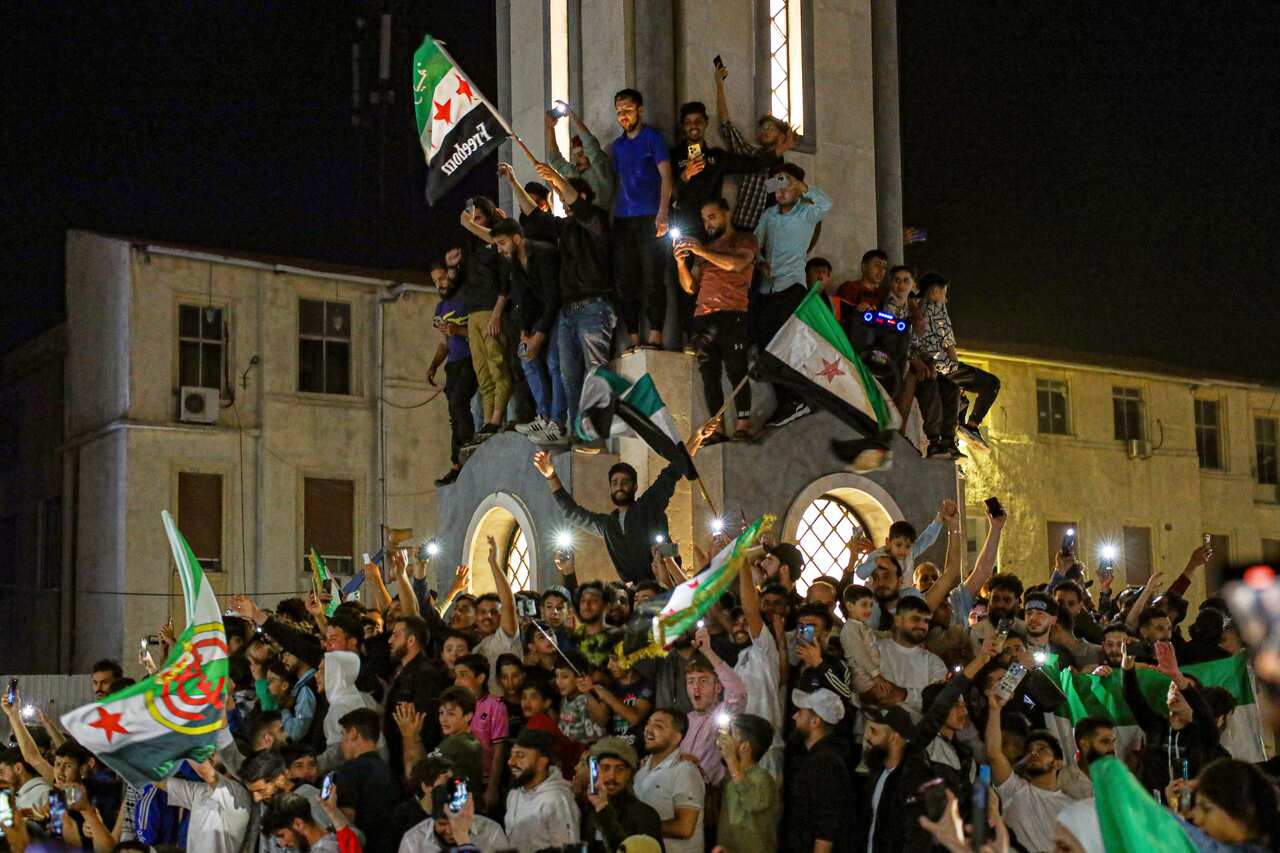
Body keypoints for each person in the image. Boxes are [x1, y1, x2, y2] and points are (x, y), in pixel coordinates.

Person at [529, 161, 617, 437]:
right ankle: (580, 432)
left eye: (567, 199)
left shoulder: (596, 221)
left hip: (593, 306)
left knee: (596, 373)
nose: (564, 207)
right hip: (568, 311)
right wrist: (512, 184)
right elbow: (534, 217)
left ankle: (597, 433)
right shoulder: (565, 229)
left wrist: (555, 177)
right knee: (569, 376)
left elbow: (579, 208)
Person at [752, 163, 833, 427]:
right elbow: (755, 243)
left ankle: (798, 399)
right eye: (776, 185)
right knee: (766, 347)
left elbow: (826, 205)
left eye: (784, 184)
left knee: (786, 348)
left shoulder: (807, 213)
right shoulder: (768, 215)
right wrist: (761, 260)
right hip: (767, 288)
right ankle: (791, 400)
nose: (779, 191)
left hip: (792, 287)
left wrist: (801, 186)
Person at [674, 197, 758, 442]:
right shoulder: (705, 250)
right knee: (709, 373)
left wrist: (701, 250)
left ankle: (743, 426)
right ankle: (717, 429)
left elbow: (737, 264)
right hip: (703, 316)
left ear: (726, 213)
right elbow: (691, 287)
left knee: (736, 369)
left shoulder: (743, 240)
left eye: (712, 216)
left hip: (733, 313)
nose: (707, 223)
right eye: (704, 219)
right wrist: (681, 264)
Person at [533, 451, 685, 583]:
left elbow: (671, 473)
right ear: (611, 488)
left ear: (635, 487)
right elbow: (572, 513)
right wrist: (551, 476)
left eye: (625, 482)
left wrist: (697, 439)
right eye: (615, 483)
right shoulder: (608, 525)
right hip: (637, 595)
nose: (619, 487)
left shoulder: (648, 506)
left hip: (666, 585)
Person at [489, 216, 566, 444]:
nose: (500, 250)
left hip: (560, 311)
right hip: (538, 315)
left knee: (554, 361)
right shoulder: (513, 263)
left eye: (502, 243)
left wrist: (538, 336)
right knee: (526, 358)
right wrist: (525, 332)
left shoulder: (543, 253)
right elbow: (524, 298)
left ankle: (557, 422)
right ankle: (543, 416)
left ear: (516, 238)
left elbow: (554, 297)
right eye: (497, 245)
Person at [609, 88, 673, 349]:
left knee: (653, 278)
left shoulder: (652, 138)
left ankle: (656, 334)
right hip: (623, 219)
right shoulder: (618, 146)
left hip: (650, 216)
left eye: (628, 110)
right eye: (619, 112)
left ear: (640, 110)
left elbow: (667, 176)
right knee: (625, 281)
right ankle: (634, 338)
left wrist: (663, 211)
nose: (623, 116)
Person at [910, 272, 1000, 449]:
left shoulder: (915, 307)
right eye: (945, 294)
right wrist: (954, 368)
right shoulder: (936, 307)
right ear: (936, 292)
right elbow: (948, 343)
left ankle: (957, 426)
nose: (946, 299)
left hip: (927, 361)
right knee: (991, 383)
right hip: (941, 363)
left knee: (959, 395)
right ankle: (972, 425)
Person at [449, 197, 512, 442]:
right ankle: (487, 423)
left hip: (491, 310)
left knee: (498, 366)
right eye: (472, 219)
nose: (474, 224)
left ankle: (496, 419)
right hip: (473, 313)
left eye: (479, 218)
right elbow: (457, 286)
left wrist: (497, 312)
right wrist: (453, 268)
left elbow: (506, 281)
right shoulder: (472, 249)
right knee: (482, 372)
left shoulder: (496, 243)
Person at [1122, 639, 1220, 792]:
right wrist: (1127, 666)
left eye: (1181, 688)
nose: (1176, 691)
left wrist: (1176, 676)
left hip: (1189, 809)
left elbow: (1204, 712)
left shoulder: (1203, 732)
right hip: (1155, 808)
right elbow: (1133, 698)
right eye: (1172, 687)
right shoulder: (1155, 726)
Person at [984, 687, 1073, 853]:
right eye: (1030, 750)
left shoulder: (1071, 806)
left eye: (1042, 749)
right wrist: (994, 709)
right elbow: (994, 754)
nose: (1034, 753)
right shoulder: (1014, 789)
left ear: (1058, 763)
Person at [712, 60, 796, 231]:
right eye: (763, 128)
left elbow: (776, 193)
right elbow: (726, 125)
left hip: (763, 233)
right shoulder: (751, 154)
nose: (764, 131)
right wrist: (719, 86)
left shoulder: (785, 170)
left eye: (770, 129)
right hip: (739, 225)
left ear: (781, 136)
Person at [427, 260, 478, 486]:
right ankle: (457, 463)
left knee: (459, 403)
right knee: (453, 412)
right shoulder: (441, 308)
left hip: (471, 359)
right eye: (436, 281)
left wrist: (458, 329)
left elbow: (478, 333)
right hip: (453, 363)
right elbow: (445, 343)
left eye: (443, 278)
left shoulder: (466, 300)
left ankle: (468, 448)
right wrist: (434, 365)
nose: (440, 283)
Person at [784, 689, 852, 853]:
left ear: (815, 722)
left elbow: (827, 822)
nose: (794, 717)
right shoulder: (818, 757)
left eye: (800, 712)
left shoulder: (825, 762)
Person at [681, 629, 748, 787]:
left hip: (711, 796)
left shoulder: (724, 713)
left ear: (718, 687)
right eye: (691, 681)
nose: (695, 688)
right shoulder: (685, 720)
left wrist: (707, 651)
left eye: (703, 681)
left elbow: (738, 692)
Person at [633, 708, 706, 853]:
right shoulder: (641, 772)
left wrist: (636, 826)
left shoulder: (685, 770)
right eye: (648, 723)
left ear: (676, 738)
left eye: (658, 726)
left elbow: (684, 828)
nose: (648, 729)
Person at [384, 615, 447, 780]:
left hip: (413, 765)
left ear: (411, 640)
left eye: (396, 635)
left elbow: (427, 725)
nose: (390, 640)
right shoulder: (401, 671)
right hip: (397, 760)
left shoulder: (425, 675)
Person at [504, 727, 582, 853]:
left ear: (542, 762)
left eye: (520, 756)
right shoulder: (514, 794)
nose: (511, 762)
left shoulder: (558, 800)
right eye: (511, 755)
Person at [332, 709, 399, 853]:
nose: (342, 743)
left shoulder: (349, 770)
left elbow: (346, 823)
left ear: (354, 733)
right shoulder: (389, 770)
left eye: (343, 734)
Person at [580, 737, 664, 850]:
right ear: (595, 772)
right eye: (605, 768)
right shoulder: (588, 810)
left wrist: (603, 810)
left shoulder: (644, 815)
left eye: (619, 769)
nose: (612, 776)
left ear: (630, 774)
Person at [715, 713, 780, 853]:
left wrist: (731, 759)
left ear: (744, 747)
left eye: (731, 735)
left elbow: (753, 802)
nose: (722, 741)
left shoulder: (762, 778)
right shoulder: (728, 779)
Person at [875, 595, 948, 717]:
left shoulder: (934, 662)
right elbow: (867, 693)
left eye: (926, 621)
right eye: (915, 619)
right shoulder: (875, 650)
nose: (922, 625)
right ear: (898, 621)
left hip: (917, 732)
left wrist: (904, 695)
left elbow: (937, 701)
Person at [544, 101, 614, 213]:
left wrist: (571, 115)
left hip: (597, 223)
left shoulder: (600, 172)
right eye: (576, 154)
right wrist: (550, 128)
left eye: (581, 153)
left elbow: (591, 145)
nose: (578, 157)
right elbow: (555, 159)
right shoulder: (575, 173)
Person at [399, 785, 510, 853]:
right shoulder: (413, 840)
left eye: (456, 822)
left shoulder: (492, 832)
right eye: (442, 824)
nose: (449, 830)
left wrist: (462, 839)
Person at [262, 790, 358, 853]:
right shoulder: (338, 839)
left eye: (281, 835)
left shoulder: (324, 850)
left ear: (298, 824)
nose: (282, 843)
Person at [1057, 716, 1115, 799]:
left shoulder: (1122, 777)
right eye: (1105, 741)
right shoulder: (1063, 780)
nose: (1112, 748)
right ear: (1084, 744)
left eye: (1113, 741)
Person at [832, 249, 889, 322]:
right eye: (877, 265)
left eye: (884, 267)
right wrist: (856, 312)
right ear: (864, 266)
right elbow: (839, 317)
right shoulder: (850, 288)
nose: (881, 270)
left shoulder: (883, 294)